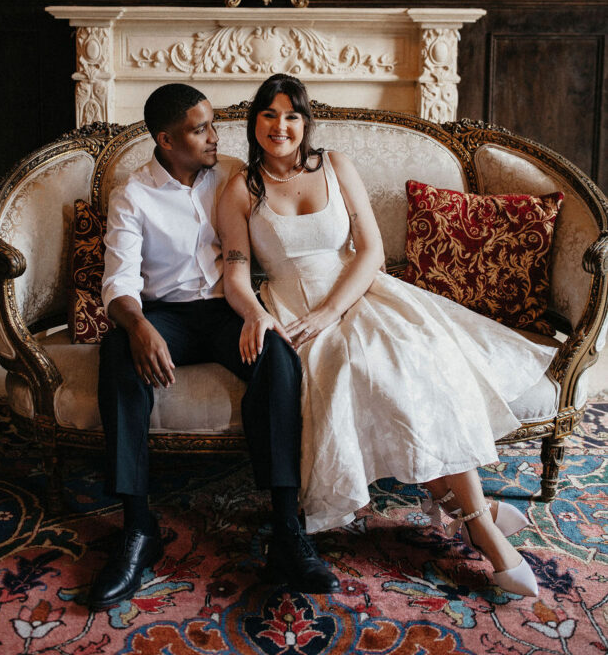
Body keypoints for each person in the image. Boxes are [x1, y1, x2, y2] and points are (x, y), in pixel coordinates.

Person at [218, 73, 559, 598]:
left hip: (356, 293)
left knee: (418, 361)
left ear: (306, 122)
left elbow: (370, 250)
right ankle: (478, 515)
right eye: (268, 115)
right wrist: (255, 316)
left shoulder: (337, 166)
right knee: (368, 373)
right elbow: (236, 276)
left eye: (291, 115)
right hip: (294, 311)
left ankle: (478, 523)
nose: (280, 126)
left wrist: (334, 308)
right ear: (254, 122)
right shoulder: (241, 188)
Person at [87, 83, 340, 610]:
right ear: (165, 138)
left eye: (213, 124)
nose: (214, 136)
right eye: (200, 129)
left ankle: (286, 530)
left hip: (229, 309)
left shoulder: (231, 174)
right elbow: (118, 283)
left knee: (277, 358)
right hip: (167, 317)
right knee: (117, 356)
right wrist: (137, 327)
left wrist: (258, 314)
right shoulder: (133, 194)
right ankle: (137, 529)